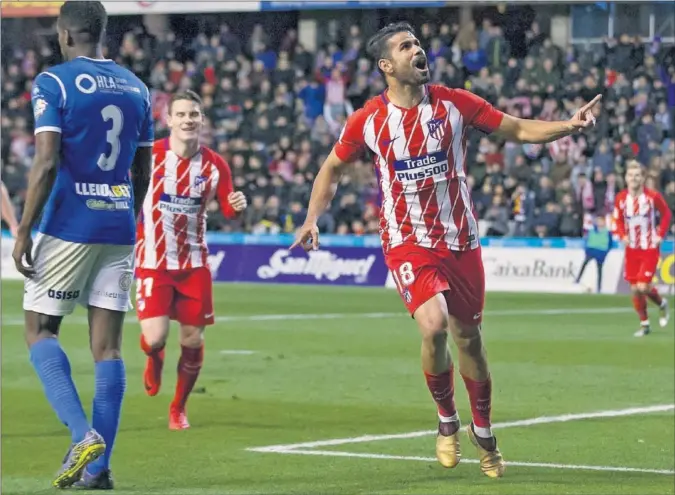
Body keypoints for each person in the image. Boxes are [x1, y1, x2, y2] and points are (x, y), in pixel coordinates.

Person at [291, 22, 601, 479]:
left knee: (469, 340)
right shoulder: (369, 121)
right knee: (433, 327)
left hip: (461, 243)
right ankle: (446, 419)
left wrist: (568, 125)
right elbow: (332, 167)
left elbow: (515, 129)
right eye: (405, 46)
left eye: (417, 43)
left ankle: (484, 430)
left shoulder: (455, 103)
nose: (418, 49)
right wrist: (311, 217)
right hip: (407, 243)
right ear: (386, 65)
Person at [11, 1, 153, 489]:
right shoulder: (138, 89)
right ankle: (99, 471)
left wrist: (24, 228)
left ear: (64, 33)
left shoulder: (54, 82)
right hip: (118, 225)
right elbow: (142, 170)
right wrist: (126, 218)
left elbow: (47, 161)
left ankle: (80, 435)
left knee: (39, 331)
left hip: (69, 223)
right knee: (107, 348)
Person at [135, 90, 247, 430]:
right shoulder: (149, 157)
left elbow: (228, 210)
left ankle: (178, 409)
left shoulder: (215, 165)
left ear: (202, 120)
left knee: (192, 341)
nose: (187, 120)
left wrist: (236, 206)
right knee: (155, 338)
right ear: (168, 120)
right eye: (181, 114)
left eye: (193, 114)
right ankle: (154, 358)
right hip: (153, 260)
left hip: (194, 264)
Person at [613, 160, 671, 337]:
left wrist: (660, 235)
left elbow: (667, 214)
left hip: (649, 248)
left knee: (643, 286)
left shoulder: (652, 197)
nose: (634, 178)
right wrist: (622, 235)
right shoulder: (621, 198)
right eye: (630, 175)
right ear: (626, 178)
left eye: (637, 175)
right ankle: (644, 324)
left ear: (643, 178)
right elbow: (618, 220)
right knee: (634, 289)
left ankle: (662, 304)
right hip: (632, 249)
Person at [575, 214, 613, 293]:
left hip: (601, 251)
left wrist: (606, 252)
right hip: (592, 250)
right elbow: (587, 240)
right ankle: (578, 279)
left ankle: (599, 287)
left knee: (599, 269)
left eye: (601, 221)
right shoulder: (592, 230)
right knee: (584, 264)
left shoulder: (607, 232)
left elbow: (610, 243)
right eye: (598, 221)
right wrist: (587, 249)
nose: (599, 223)